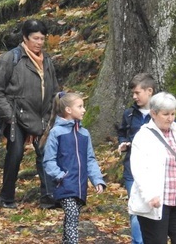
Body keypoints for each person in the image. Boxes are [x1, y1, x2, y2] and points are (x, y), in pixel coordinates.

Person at [0, 19, 59, 209]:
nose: (39, 42)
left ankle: (49, 197)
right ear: (25, 38)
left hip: (42, 116)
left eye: (42, 39)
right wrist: (9, 115)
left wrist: (53, 112)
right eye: (35, 38)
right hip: (15, 117)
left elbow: (54, 90)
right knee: (15, 154)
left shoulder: (48, 61)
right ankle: (7, 196)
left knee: (45, 154)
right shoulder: (10, 59)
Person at [128, 92, 176, 243]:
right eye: (165, 114)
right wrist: (149, 195)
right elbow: (139, 169)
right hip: (156, 201)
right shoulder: (143, 136)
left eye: (173, 114)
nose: (170, 118)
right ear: (154, 113)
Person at [43, 92, 106, 244]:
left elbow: (90, 159)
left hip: (80, 186)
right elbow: (48, 160)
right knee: (71, 215)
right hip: (64, 185)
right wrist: (60, 176)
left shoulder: (84, 133)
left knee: (71, 218)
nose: (84, 110)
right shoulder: (56, 132)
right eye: (80, 106)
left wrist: (97, 180)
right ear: (68, 110)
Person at [117, 73, 156, 244]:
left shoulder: (161, 114)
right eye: (132, 93)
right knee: (136, 210)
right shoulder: (129, 114)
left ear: (149, 91)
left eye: (137, 93)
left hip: (155, 169)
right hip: (132, 170)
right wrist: (123, 143)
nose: (134, 96)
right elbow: (122, 133)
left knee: (155, 210)